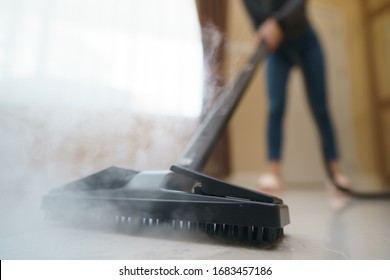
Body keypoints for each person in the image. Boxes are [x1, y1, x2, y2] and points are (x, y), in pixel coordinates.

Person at [241, 0, 350, 193]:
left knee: (321, 109)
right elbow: (257, 20)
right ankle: (273, 174)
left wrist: (277, 22)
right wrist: (262, 30)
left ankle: (335, 175)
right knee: (275, 107)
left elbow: (299, 3)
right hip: (277, 51)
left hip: (306, 42)